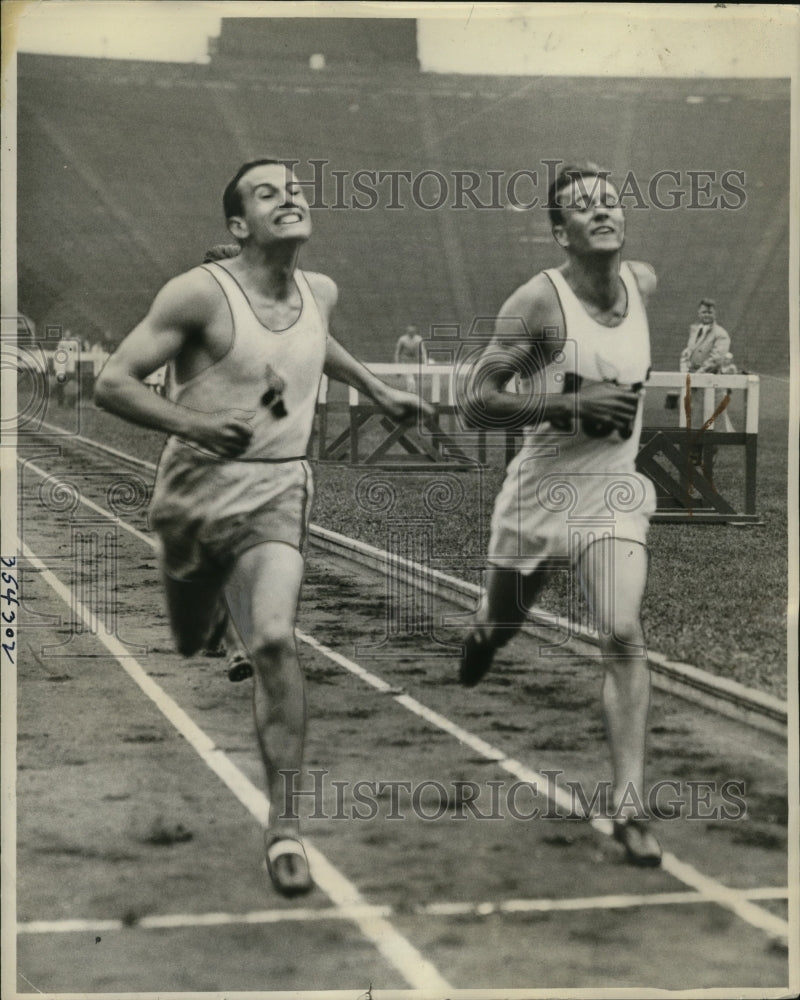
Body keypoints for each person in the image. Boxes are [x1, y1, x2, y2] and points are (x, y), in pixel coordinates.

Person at [95, 158, 434, 896]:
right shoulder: (195, 295)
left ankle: (286, 831)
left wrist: (377, 387)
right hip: (192, 491)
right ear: (238, 225)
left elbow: (315, 345)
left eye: (296, 188)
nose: (291, 198)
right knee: (190, 637)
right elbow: (110, 382)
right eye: (268, 191)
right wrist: (195, 423)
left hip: (279, 484)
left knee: (276, 638)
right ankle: (210, 606)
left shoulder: (321, 292)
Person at [458, 163, 662, 867]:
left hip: (612, 491)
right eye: (583, 207)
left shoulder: (643, 283)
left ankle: (630, 809)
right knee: (504, 619)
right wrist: (571, 405)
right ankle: (484, 635)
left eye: (610, 200)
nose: (602, 211)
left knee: (623, 632)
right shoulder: (537, 306)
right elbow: (478, 402)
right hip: (540, 495)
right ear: (559, 231)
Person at [679, 298, 736, 438]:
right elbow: (689, 350)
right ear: (699, 313)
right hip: (694, 378)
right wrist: (685, 366)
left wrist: (699, 374)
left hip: (711, 380)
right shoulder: (694, 329)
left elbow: (716, 359)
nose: (707, 315)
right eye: (704, 312)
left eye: (710, 313)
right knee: (694, 415)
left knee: (714, 418)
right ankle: (695, 446)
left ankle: (714, 448)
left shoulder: (721, 334)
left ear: (715, 314)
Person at [394, 324, 428, 392]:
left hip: (416, 362)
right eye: (409, 331)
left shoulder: (419, 339)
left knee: (418, 381)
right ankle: (411, 394)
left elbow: (423, 352)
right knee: (410, 381)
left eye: (413, 331)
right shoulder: (402, 339)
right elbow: (397, 353)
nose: (411, 332)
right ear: (407, 331)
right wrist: (397, 366)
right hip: (406, 362)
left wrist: (425, 363)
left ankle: (415, 395)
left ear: (415, 331)